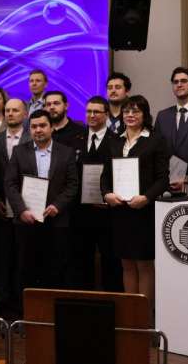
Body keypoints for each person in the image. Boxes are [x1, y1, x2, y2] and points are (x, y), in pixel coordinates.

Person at [102, 95, 170, 309]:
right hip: (120, 211)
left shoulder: (156, 140)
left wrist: (146, 198)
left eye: (136, 111)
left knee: (144, 264)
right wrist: (107, 194)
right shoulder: (114, 140)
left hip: (143, 211)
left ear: (145, 115)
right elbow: (105, 176)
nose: (130, 115)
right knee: (127, 264)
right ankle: (130, 314)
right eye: (127, 111)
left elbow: (163, 179)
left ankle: (144, 316)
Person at [4, 109, 79, 292]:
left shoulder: (66, 152)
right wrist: (21, 210)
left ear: (52, 127)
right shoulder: (19, 151)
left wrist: (57, 206)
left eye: (43, 125)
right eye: (34, 126)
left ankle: (51, 307)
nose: (38, 130)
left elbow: (72, 184)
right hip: (26, 220)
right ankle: (26, 307)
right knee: (26, 268)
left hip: (56, 220)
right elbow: (10, 183)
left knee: (55, 269)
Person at [67, 96, 122, 292]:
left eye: (96, 112)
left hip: (108, 211)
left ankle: (111, 299)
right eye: (88, 111)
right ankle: (83, 299)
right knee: (80, 259)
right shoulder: (76, 139)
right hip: (79, 211)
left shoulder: (117, 141)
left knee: (110, 260)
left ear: (106, 115)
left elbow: (120, 174)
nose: (91, 115)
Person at [0, 98, 28, 316]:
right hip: (2, 207)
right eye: (7, 110)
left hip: (27, 207)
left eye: (15, 110)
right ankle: (3, 306)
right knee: (2, 258)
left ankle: (23, 306)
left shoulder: (33, 137)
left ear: (25, 114)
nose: (10, 113)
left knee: (23, 258)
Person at [154, 67, 188, 164]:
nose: (179, 85)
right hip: (167, 171)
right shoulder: (162, 116)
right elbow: (157, 148)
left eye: (183, 81)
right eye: (175, 82)